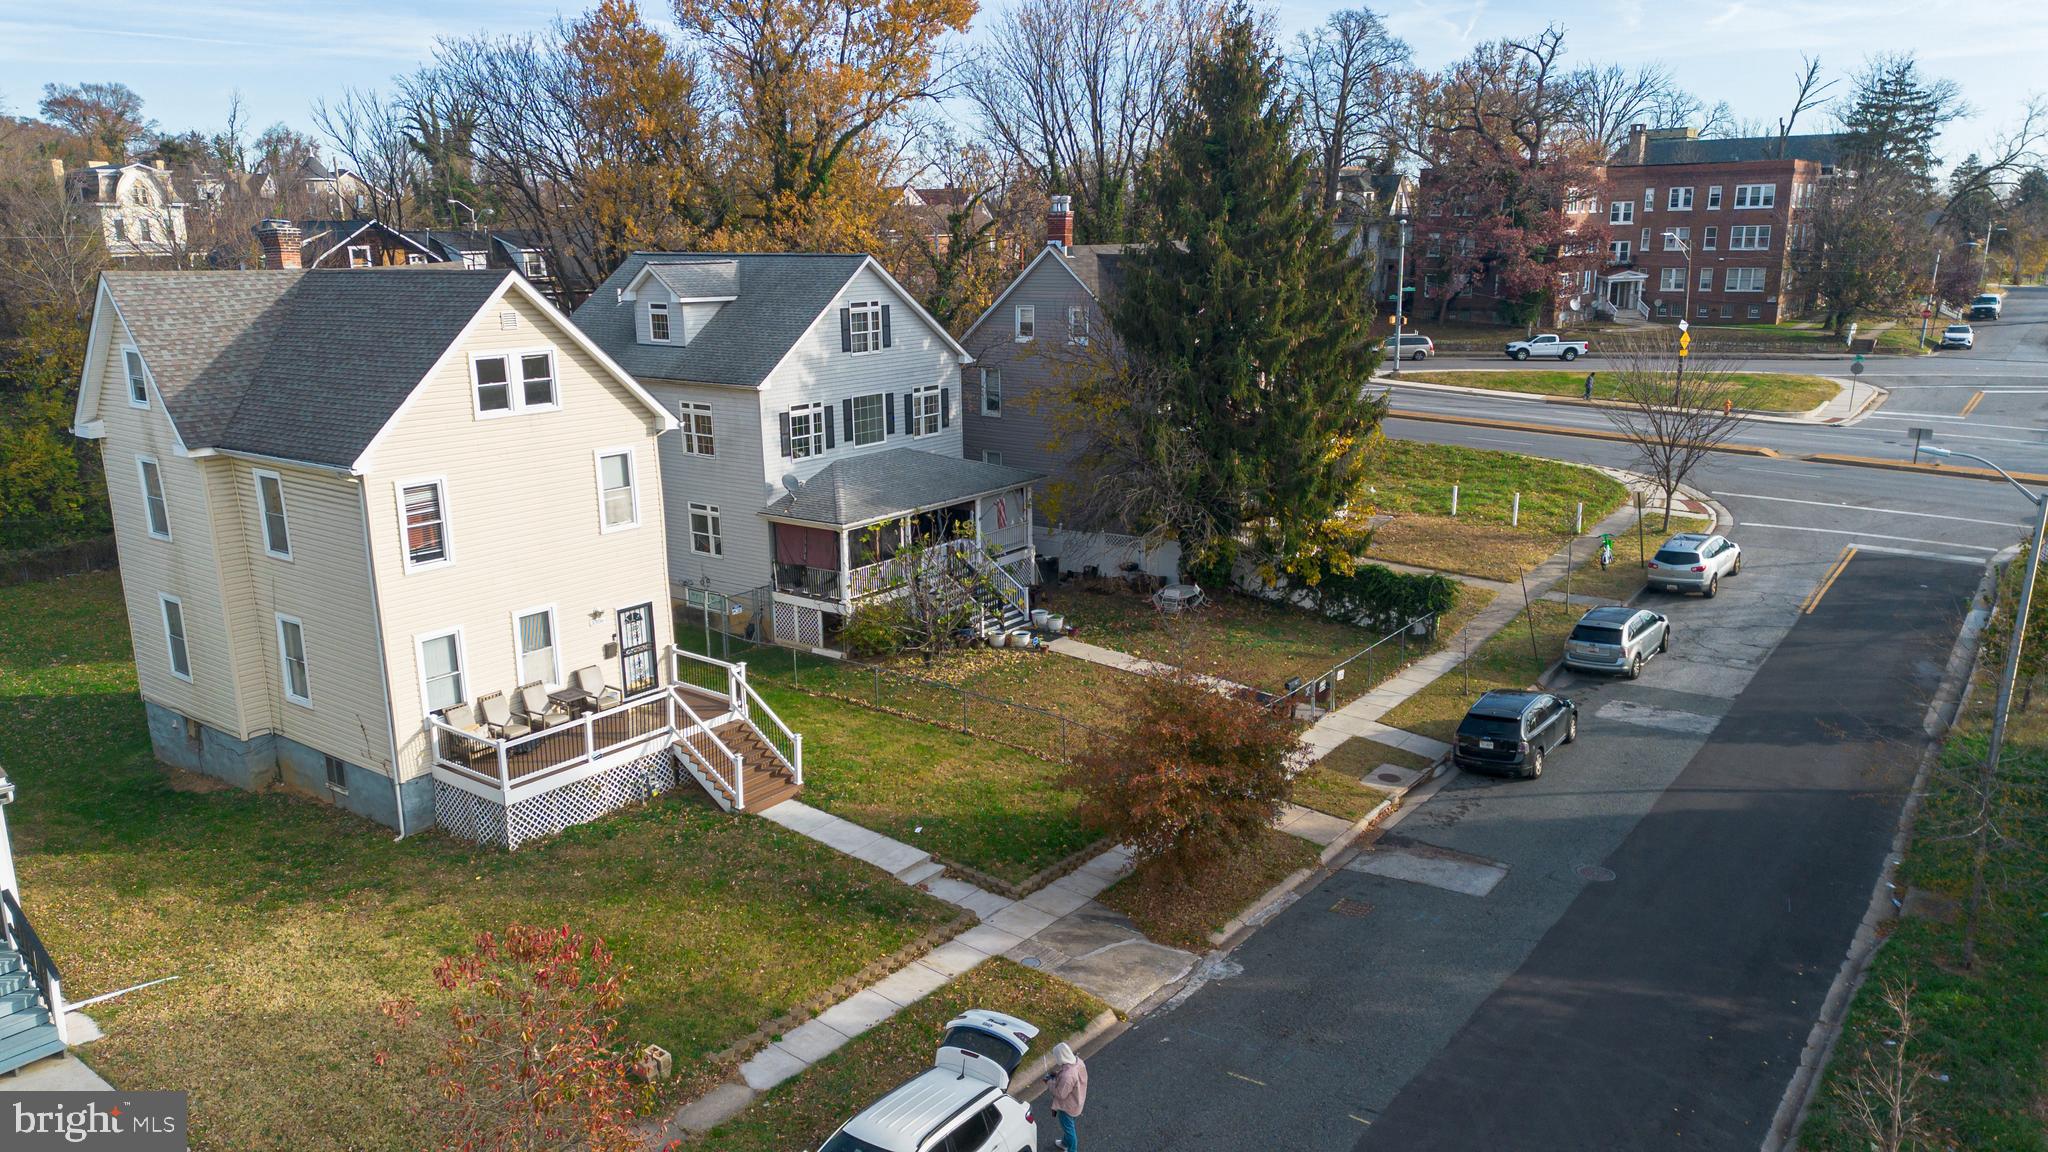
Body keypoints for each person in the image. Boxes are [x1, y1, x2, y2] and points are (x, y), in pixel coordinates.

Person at [1043, 1042, 1088, 1151]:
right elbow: (1069, 1076)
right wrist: (1058, 1074)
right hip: (1078, 1101)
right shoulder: (1078, 1062)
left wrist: (1049, 1082)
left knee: (1069, 1130)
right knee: (1068, 1127)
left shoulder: (1068, 1076)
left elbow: (1060, 1094)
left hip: (1067, 1108)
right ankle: (1064, 1143)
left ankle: (1072, 1149)